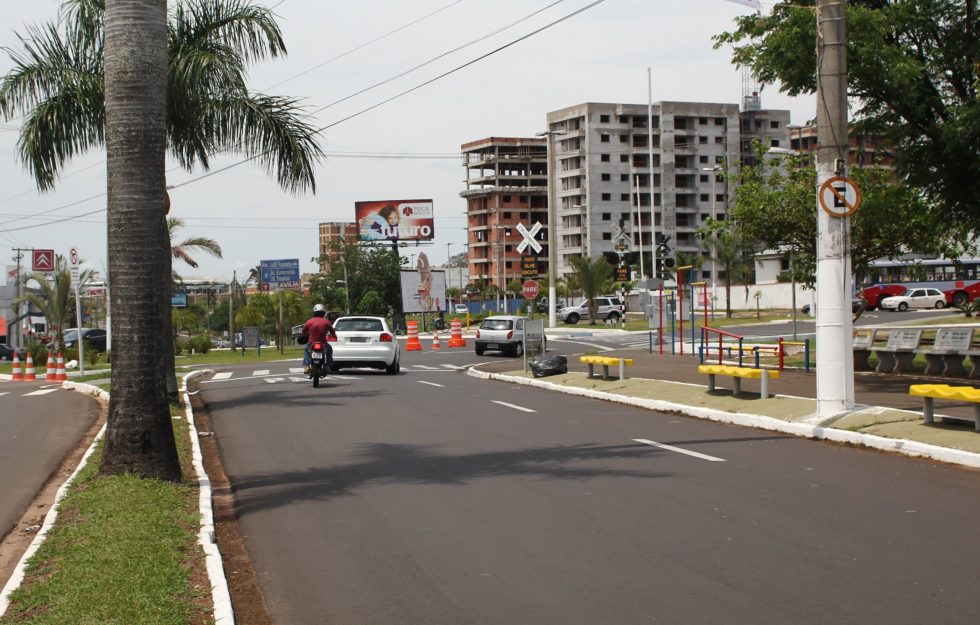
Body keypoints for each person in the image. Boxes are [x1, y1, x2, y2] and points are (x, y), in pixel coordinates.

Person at [301, 304, 337, 376]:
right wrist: (335, 337)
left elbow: (303, 331)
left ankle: (307, 366)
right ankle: (328, 366)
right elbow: (332, 332)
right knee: (329, 350)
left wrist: (304, 335)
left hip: (311, 343)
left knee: (306, 349)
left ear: (314, 312)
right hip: (323, 344)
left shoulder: (309, 321)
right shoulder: (326, 322)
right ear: (323, 313)